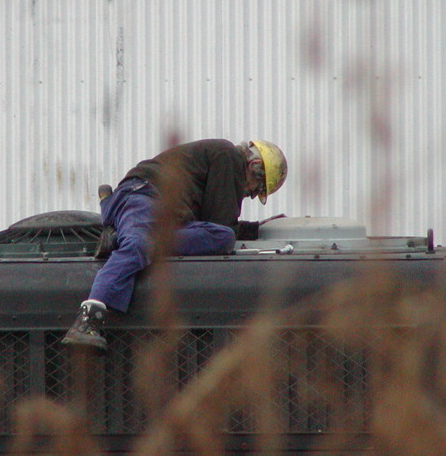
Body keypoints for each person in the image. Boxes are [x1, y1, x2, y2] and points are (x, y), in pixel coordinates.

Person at [61, 138, 288, 352]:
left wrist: (255, 229)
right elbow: (220, 218)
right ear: (254, 164)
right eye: (257, 188)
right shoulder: (227, 155)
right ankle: (87, 319)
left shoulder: (216, 162)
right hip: (143, 197)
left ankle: (126, 237)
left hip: (163, 217)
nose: (250, 194)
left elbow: (217, 227)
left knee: (222, 237)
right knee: (138, 245)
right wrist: (250, 229)